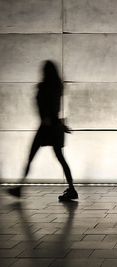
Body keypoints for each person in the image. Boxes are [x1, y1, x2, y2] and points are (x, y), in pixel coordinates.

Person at [7, 60, 78, 201]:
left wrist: (47, 118)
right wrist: (61, 124)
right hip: (55, 127)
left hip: (46, 127)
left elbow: (45, 108)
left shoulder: (44, 87)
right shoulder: (58, 87)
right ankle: (71, 188)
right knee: (61, 158)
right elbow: (57, 109)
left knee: (31, 156)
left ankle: (20, 187)